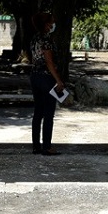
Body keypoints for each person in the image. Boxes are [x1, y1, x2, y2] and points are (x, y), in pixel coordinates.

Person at [29, 11, 66, 155]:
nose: (53, 24)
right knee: (49, 113)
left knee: (38, 112)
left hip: (34, 76)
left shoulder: (34, 39)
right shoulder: (46, 40)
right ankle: (47, 146)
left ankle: (36, 146)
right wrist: (58, 80)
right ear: (46, 24)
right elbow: (49, 62)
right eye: (51, 22)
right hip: (46, 78)